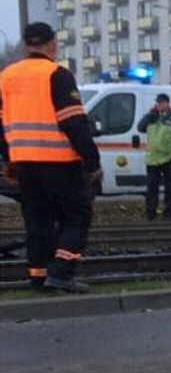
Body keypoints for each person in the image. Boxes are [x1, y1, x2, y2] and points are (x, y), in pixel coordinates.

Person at [0, 22, 102, 293]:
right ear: (52, 44)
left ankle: (38, 277)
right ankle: (61, 272)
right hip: (59, 160)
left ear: (25, 45)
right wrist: (92, 162)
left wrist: (8, 159)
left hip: (23, 161)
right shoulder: (58, 74)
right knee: (77, 216)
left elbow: (2, 123)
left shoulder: (6, 76)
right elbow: (74, 122)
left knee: (37, 220)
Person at [136, 93, 171, 221]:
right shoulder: (152, 117)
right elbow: (140, 127)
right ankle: (150, 213)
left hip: (168, 158)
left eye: (161, 103)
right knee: (152, 188)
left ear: (167, 103)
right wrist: (149, 115)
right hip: (152, 159)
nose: (159, 105)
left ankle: (169, 213)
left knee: (170, 188)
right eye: (157, 103)